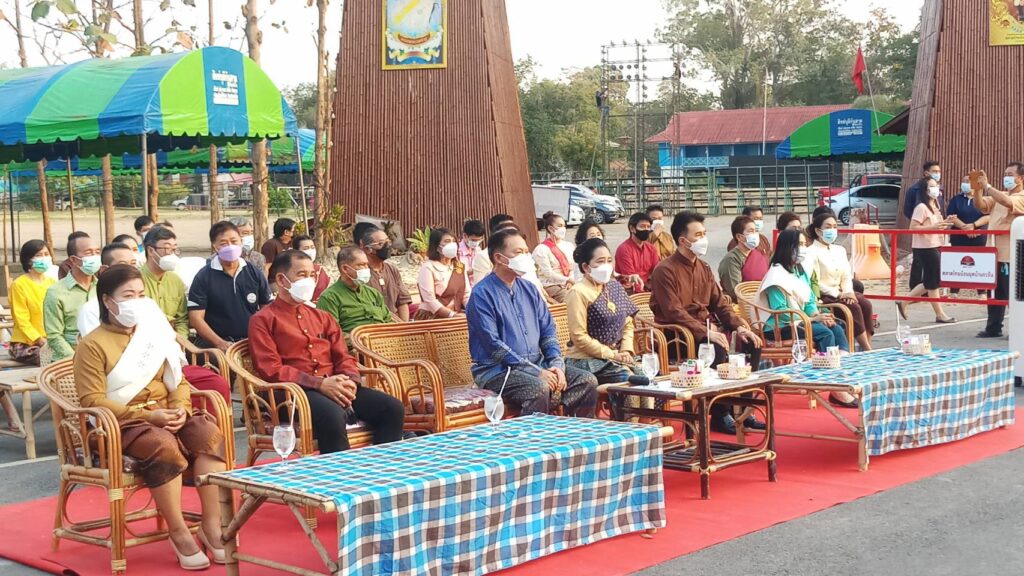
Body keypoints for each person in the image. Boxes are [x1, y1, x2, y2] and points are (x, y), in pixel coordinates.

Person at [74, 265, 226, 569]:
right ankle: (179, 531)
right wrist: (148, 415)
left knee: (207, 433)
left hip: (166, 413)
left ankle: (211, 526)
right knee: (162, 444)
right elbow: (92, 400)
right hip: (122, 424)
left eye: (141, 295)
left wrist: (181, 408)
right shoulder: (92, 345)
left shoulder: (152, 334)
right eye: (128, 296)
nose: (137, 302)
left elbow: (178, 380)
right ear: (107, 301)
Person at [249, 251, 405, 454]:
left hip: (335, 385)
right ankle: (340, 473)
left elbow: (343, 356)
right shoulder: (262, 320)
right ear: (281, 280)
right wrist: (319, 384)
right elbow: (270, 368)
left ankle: (382, 466)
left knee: (392, 408)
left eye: (312, 275)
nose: (309, 280)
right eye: (302, 275)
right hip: (294, 394)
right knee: (332, 414)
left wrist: (350, 381)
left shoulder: (322, 317)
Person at [648, 211, 764, 434]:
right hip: (677, 336)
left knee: (752, 342)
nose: (704, 239)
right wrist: (706, 332)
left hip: (704, 330)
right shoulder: (664, 270)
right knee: (716, 348)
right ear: (683, 241)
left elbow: (720, 304)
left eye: (704, 233)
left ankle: (745, 410)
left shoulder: (704, 267)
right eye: (698, 235)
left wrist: (740, 326)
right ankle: (720, 415)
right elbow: (674, 312)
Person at [466, 228, 598, 416]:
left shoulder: (529, 289)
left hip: (539, 364)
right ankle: (534, 435)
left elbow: (548, 331)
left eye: (526, 252)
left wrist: (557, 365)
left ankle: (577, 432)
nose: (525, 257)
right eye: (518, 252)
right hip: (497, 371)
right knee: (538, 387)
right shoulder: (481, 294)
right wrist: (536, 371)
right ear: (499, 258)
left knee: (586, 380)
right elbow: (493, 344)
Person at [757, 230, 855, 407]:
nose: (803, 248)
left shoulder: (799, 271)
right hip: (779, 326)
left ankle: (839, 376)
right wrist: (812, 320)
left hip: (801, 321)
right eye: (799, 245)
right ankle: (832, 386)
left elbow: (809, 300)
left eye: (804, 244)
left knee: (836, 328)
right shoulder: (775, 276)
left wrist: (817, 315)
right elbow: (781, 311)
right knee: (825, 333)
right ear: (787, 247)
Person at [188, 221, 272, 351]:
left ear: (241, 242)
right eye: (223, 243)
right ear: (215, 247)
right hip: (215, 345)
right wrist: (219, 343)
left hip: (249, 341)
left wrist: (260, 336)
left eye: (234, 241)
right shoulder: (203, 277)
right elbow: (195, 318)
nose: (230, 246)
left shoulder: (253, 272)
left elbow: (267, 307)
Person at [564, 238, 638, 384]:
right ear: (586, 267)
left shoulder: (614, 286)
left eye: (609, 261)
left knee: (647, 376)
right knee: (629, 379)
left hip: (616, 356)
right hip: (586, 360)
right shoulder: (578, 292)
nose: (606, 265)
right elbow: (579, 336)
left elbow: (628, 323)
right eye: (600, 261)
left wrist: (625, 350)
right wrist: (611, 355)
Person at [805, 212, 874, 351]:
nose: (832, 230)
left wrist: (848, 292)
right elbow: (814, 282)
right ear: (818, 231)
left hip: (842, 292)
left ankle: (867, 343)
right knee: (853, 307)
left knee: (865, 304)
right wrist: (839, 294)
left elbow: (846, 275)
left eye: (834, 226)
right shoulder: (810, 252)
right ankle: (866, 348)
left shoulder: (839, 250)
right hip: (825, 296)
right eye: (828, 227)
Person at [973, 163, 1024, 338]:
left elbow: (1008, 203)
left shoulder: (1021, 196)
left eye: (1010, 174)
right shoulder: (999, 195)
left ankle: (1018, 330)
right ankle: (993, 327)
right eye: (1005, 174)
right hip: (993, 253)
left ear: (1020, 178)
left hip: (1012, 254)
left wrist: (987, 186)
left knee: (1013, 293)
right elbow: (981, 205)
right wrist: (977, 189)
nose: (1006, 177)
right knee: (994, 292)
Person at [898, 178, 956, 323]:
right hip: (925, 247)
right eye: (932, 186)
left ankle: (905, 301)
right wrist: (933, 227)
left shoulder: (935, 207)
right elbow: (913, 227)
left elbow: (938, 226)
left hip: (935, 244)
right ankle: (939, 313)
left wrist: (947, 221)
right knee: (933, 281)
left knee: (931, 280)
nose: (936, 188)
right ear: (925, 190)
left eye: (936, 185)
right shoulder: (921, 207)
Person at [43, 233, 101, 361]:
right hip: (69, 359)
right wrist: (76, 359)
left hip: (101, 355)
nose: (95, 257)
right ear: (74, 260)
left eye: (97, 252)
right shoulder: (56, 292)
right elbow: (54, 336)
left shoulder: (103, 287)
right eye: (89, 253)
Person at [76, 243, 147, 339]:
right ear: (105, 270)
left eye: (133, 264)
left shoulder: (148, 304)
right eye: (122, 265)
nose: (130, 269)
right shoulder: (90, 310)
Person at [317, 246, 394, 334]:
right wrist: (358, 339)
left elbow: (389, 321)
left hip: (383, 339)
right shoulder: (329, 297)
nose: (366, 269)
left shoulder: (373, 293)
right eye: (361, 265)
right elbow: (331, 333)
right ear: (345, 269)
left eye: (367, 265)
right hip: (354, 341)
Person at [9, 240, 56, 365]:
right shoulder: (19, 285)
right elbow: (21, 319)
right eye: (39, 255)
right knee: (52, 358)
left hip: (50, 340)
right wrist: (39, 339)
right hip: (25, 344)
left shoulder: (52, 283)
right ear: (28, 260)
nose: (44, 258)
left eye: (46, 254)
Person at [356, 225, 411, 321]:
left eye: (388, 241)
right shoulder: (361, 275)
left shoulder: (392, 269)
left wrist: (404, 324)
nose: (388, 246)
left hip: (397, 323)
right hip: (373, 323)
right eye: (381, 243)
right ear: (368, 249)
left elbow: (402, 301)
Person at [946, 176, 990, 295]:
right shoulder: (956, 199)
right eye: (964, 181)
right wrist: (965, 228)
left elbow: (988, 216)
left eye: (968, 182)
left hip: (979, 236)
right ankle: (954, 291)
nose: (965, 184)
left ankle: (981, 292)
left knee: (979, 263)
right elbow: (951, 216)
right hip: (959, 236)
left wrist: (974, 226)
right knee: (957, 262)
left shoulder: (983, 200)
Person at [416, 228, 471, 320]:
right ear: (437, 247)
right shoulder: (428, 267)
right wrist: (451, 315)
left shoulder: (459, 267)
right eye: (447, 241)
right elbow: (429, 299)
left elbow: (466, 295)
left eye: (454, 241)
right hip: (432, 317)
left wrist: (472, 311)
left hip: (457, 316)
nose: (452, 244)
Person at [718, 216, 770, 301]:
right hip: (744, 304)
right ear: (739, 237)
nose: (755, 235)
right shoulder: (732, 259)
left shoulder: (758, 253)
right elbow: (735, 291)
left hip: (764, 299)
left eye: (755, 231)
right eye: (751, 231)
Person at [532, 211, 576, 303]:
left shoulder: (569, 246)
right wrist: (567, 280)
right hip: (551, 285)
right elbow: (548, 273)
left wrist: (570, 280)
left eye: (564, 226)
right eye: (560, 226)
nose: (563, 229)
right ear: (550, 228)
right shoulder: (541, 249)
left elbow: (572, 267)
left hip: (569, 283)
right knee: (571, 300)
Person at [615, 212, 659, 293]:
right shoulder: (623, 249)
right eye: (642, 226)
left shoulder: (651, 248)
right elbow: (631, 279)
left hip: (646, 290)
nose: (646, 229)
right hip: (627, 291)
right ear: (632, 228)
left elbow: (657, 271)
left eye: (648, 227)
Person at [472, 213, 515, 283]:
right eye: (507, 229)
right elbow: (480, 285)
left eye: (513, 229)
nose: (512, 233)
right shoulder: (483, 257)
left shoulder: (523, 254)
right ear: (495, 232)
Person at [291, 235, 329, 304]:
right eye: (306, 248)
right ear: (296, 251)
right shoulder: (290, 270)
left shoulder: (319, 270)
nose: (310, 251)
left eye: (312, 247)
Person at [457, 219, 486, 287]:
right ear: (465, 236)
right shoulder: (456, 251)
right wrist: (471, 272)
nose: (476, 243)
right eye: (473, 240)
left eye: (479, 240)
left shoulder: (478, 250)